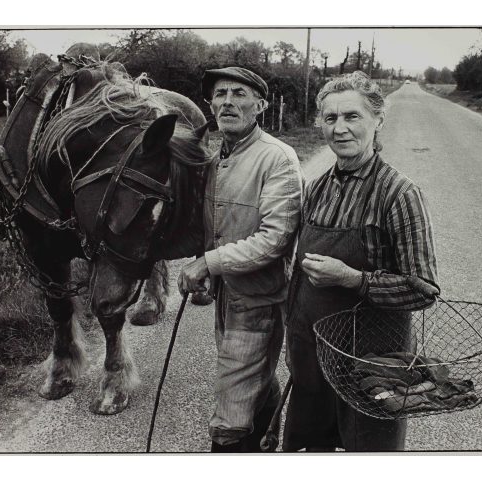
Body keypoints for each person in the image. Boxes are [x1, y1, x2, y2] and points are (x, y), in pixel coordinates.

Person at [282, 71, 439, 452]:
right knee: (308, 451)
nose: (340, 129)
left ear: (377, 119)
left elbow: (423, 290)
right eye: (330, 118)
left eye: (352, 117)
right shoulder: (318, 187)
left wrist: (354, 279)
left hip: (372, 365)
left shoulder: (399, 194)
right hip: (313, 360)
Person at [179, 66, 303, 452]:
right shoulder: (217, 158)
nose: (227, 101)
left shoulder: (277, 158)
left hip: (258, 302)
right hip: (227, 297)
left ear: (261, 105)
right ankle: (266, 443)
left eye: (239, 93)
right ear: (210, 104)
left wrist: (208, 263)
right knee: (256, 383)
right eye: (220, 94)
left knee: (230, 414)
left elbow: (275, 239)